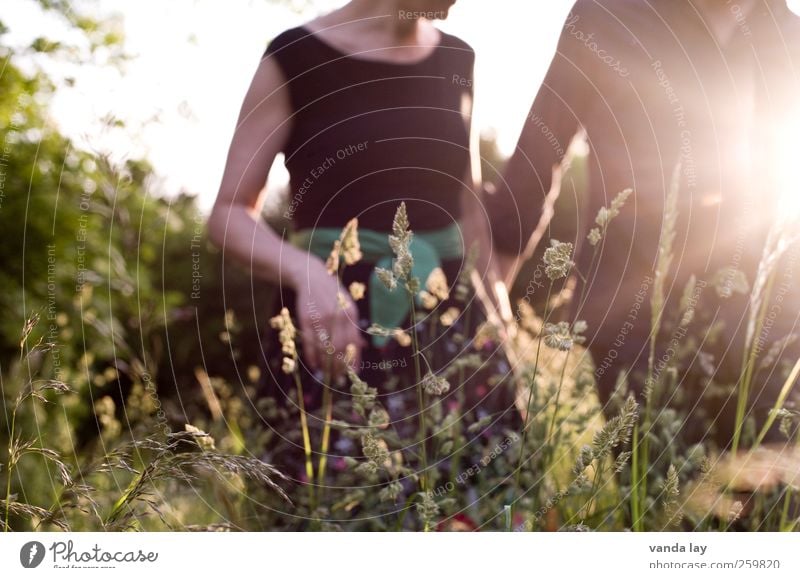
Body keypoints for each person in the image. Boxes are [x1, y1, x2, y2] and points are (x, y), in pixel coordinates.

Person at [207, 0, 519, 505]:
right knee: (335, 509)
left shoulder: (460, 58)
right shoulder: (294, 56)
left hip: (453, 324)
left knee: (485, 502)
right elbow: (227, 213)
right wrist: (307, 273)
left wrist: (498, 302)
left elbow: (467, 198)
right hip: (334, 327)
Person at [489, 0, 800, 447]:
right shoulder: (606, 18)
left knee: (774, 507)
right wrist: (489, 318)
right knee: (670, 506)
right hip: (635, 335)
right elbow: (534, 167)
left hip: (778, 332)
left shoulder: (788, 35)